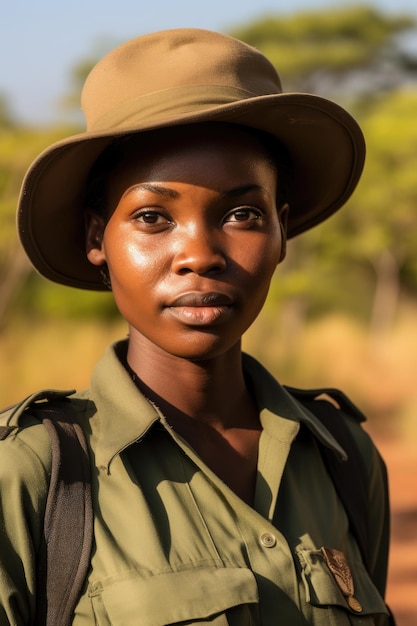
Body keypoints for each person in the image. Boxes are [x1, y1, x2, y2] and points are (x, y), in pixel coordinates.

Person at [0, 28, 393, 625]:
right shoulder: (32, 474)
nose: (201, 253)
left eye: (242, 214)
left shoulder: (344, 459)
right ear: (95, 239)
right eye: (154, 217)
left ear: (282, 232)